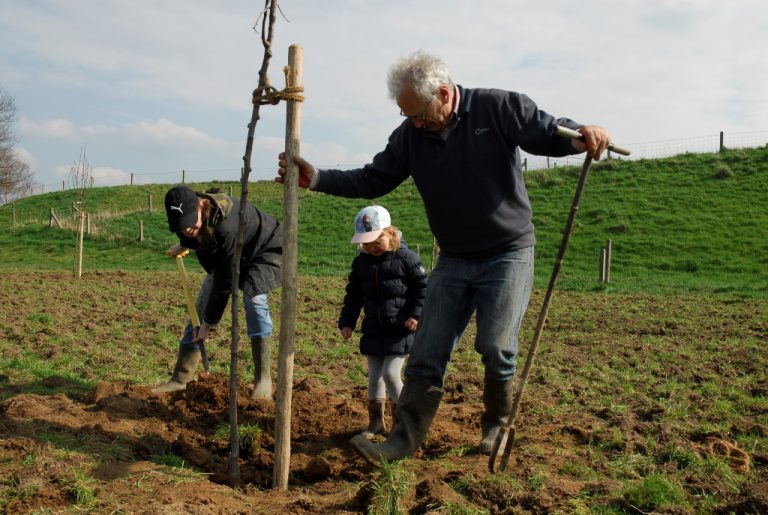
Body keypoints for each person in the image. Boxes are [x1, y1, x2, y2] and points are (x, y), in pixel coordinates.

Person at [276, 50, 613, 463]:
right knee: (426, 349)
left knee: (496, 346)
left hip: (508, 252)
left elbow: (548, 130)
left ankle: (496, 424)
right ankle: (402, 440)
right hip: (454, 257)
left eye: (418, 114)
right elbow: (375, 176)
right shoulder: (409, 136)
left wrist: (582, 133)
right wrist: (320, 178)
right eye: (407, 116)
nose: (414, 123)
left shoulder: (498, 107)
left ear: (442, 93)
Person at [153, 185, 282, 400]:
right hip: (229, 256)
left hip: (263, 250)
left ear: (201, 206)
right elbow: (193, 234)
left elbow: (224, 281)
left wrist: (209, 324)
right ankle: (180, 378)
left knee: (255, 302)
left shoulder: (226, 227)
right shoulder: (188, 222)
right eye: (181, 226)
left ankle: (263, 380)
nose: (186, 230)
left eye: (189, 224)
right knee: (200, 307)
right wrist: (185, 243)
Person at [339, 205, 428, 439]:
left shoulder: (407, 259)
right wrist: (347, 322)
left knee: (390, 374)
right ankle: (376, 423)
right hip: (374, 329)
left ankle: (403, 426)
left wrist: (414, 315)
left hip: (400, 329)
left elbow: (423, 289)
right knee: (374, 376)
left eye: (375, 241)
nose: (370, 247)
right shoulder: (361, 263)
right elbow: (354, 295)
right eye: (366, 243)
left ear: (389, 233)